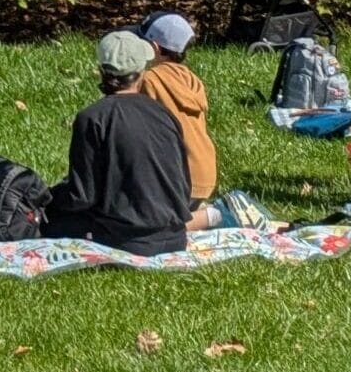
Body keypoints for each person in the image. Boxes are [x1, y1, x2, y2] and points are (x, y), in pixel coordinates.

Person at [44, 31, 192, 256]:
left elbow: (81, 196)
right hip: (176, 237)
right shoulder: (164, 114)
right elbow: (182, 183)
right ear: (141, 73)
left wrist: (47, 199)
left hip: (126, 240)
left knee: (46, 220)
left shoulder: (92, 118)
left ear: (102, 71)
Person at [138, 13, 221, 231]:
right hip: (205, 173)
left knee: (144, 224)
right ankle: (199, 210)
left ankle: (206, 218)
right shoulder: (193, 80)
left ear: (154, 48)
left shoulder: (150, 80)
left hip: (178, 177)